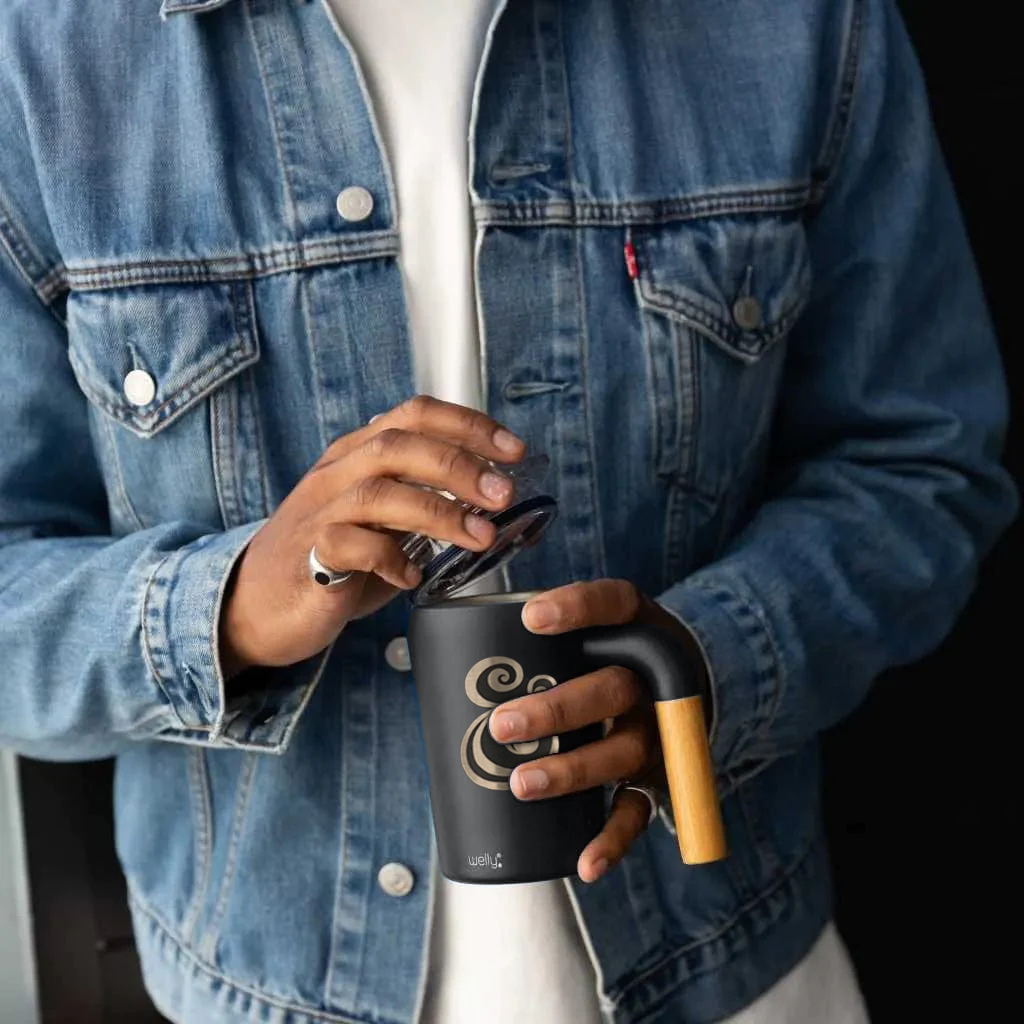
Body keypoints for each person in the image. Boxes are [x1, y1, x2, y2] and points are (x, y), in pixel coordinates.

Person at [0, 0, 1015, 1022]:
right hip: (259, 986)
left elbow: (920, 463)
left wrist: (710, 667)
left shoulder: (798, 24)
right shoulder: (41, 57)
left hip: (732, 973)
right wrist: (225, 609)